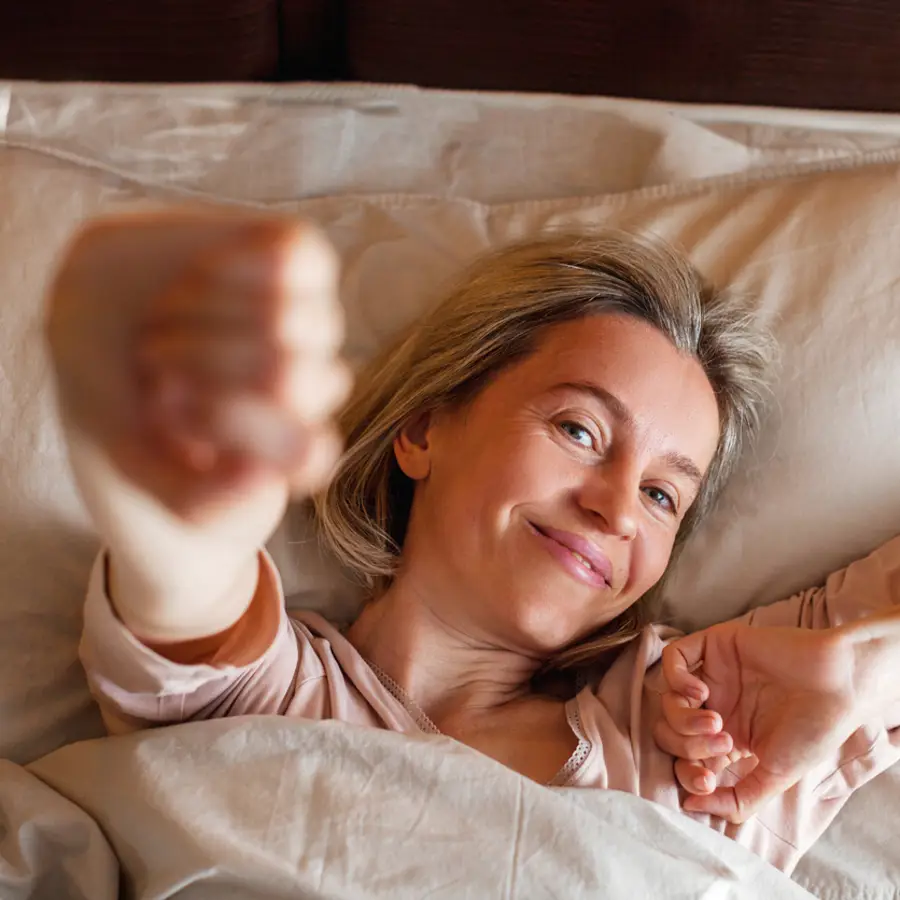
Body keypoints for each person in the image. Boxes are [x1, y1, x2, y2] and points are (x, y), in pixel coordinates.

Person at [46, 210, 900, 874]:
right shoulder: (271, 702)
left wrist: (871, 666)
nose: (617, 510)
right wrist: (180, 460)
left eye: (661, 494)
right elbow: (188, 563)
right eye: (579, 430)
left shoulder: (711, 741)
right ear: (422, 430)